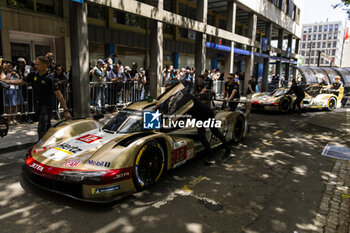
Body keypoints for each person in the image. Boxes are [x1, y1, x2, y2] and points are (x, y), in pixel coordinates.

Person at [2, 56, 72, 140]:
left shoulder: (50, 79)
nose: (35, 66)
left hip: (46, 106)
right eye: (35, 64)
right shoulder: (32, 75)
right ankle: (50, 141)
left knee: (42, 127)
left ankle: (40, 145)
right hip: (37, 105)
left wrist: (66, 110)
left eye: (38, 64)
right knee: (46, 126)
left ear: (45, 66)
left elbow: (59, 96)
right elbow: (20, 82)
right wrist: (5, 81)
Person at [157, 84, 231, 164]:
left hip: (206, 114)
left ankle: (227, 150)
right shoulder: (179, 98)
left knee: (215, 132)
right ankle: (211, 156)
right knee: (202, 135)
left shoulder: (184, 98)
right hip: (199, 116)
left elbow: (175, 112)